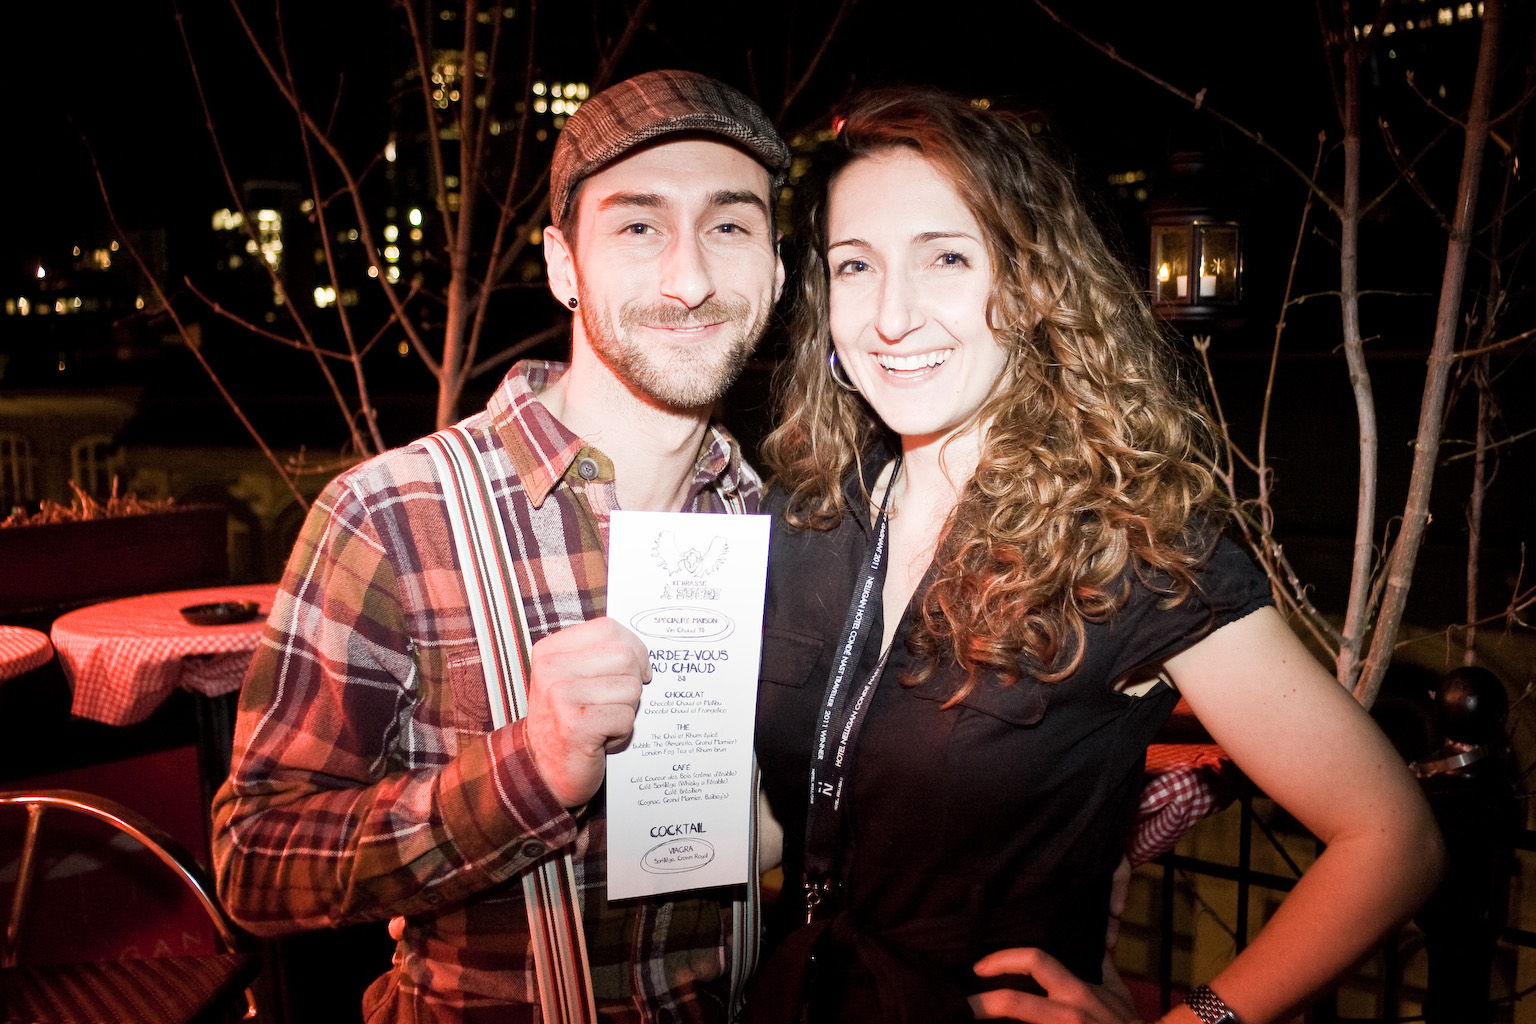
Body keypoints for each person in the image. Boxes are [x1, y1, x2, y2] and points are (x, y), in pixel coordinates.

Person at [751, 87, 1444, 1024]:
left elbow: (1392, 838)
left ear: (1034, 284)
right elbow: (799, 812)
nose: (890, 317)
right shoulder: (814, 517)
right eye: (856, 266)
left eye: (947, 258)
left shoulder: (1129, 546)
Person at [211, 69, 789, 1024]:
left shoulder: (779, 528)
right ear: (564, 266)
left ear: (774, 268)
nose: (690, 279)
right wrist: (525, 772)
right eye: (638, 227)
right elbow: (256, 863)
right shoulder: (390, 514)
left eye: (729, 226)